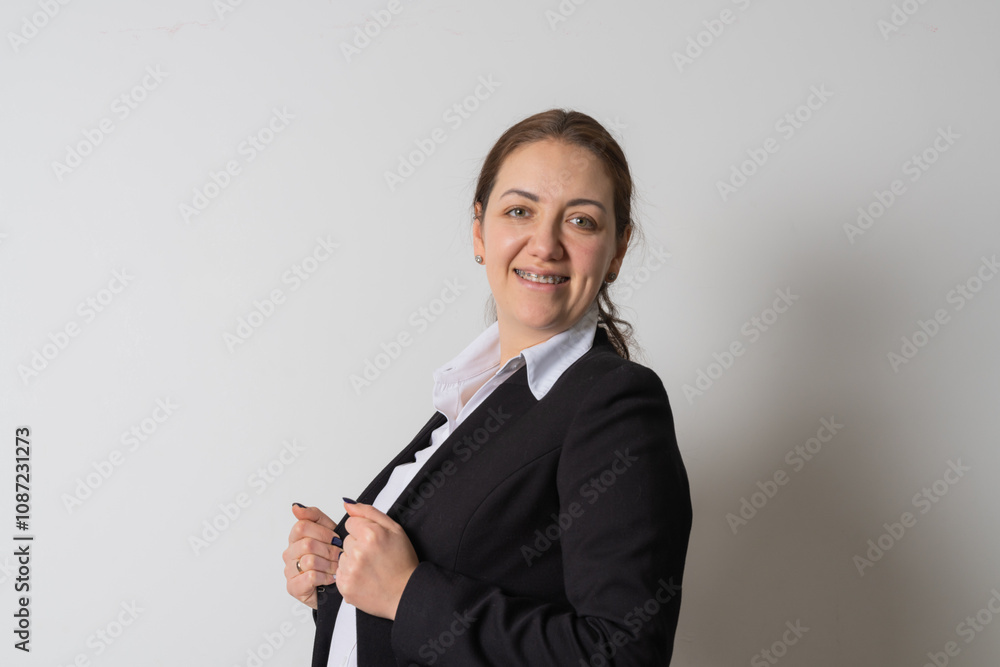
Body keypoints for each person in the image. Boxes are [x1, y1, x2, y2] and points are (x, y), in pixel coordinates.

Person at [282, 108, 692, 666]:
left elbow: (623, 654)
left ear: (618, 250)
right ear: (480, 232)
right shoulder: (470, 401)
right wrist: (337, 580)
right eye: (520, 211)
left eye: (581, 221)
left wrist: (405, 593)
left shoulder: (615, 405)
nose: (544, 244)